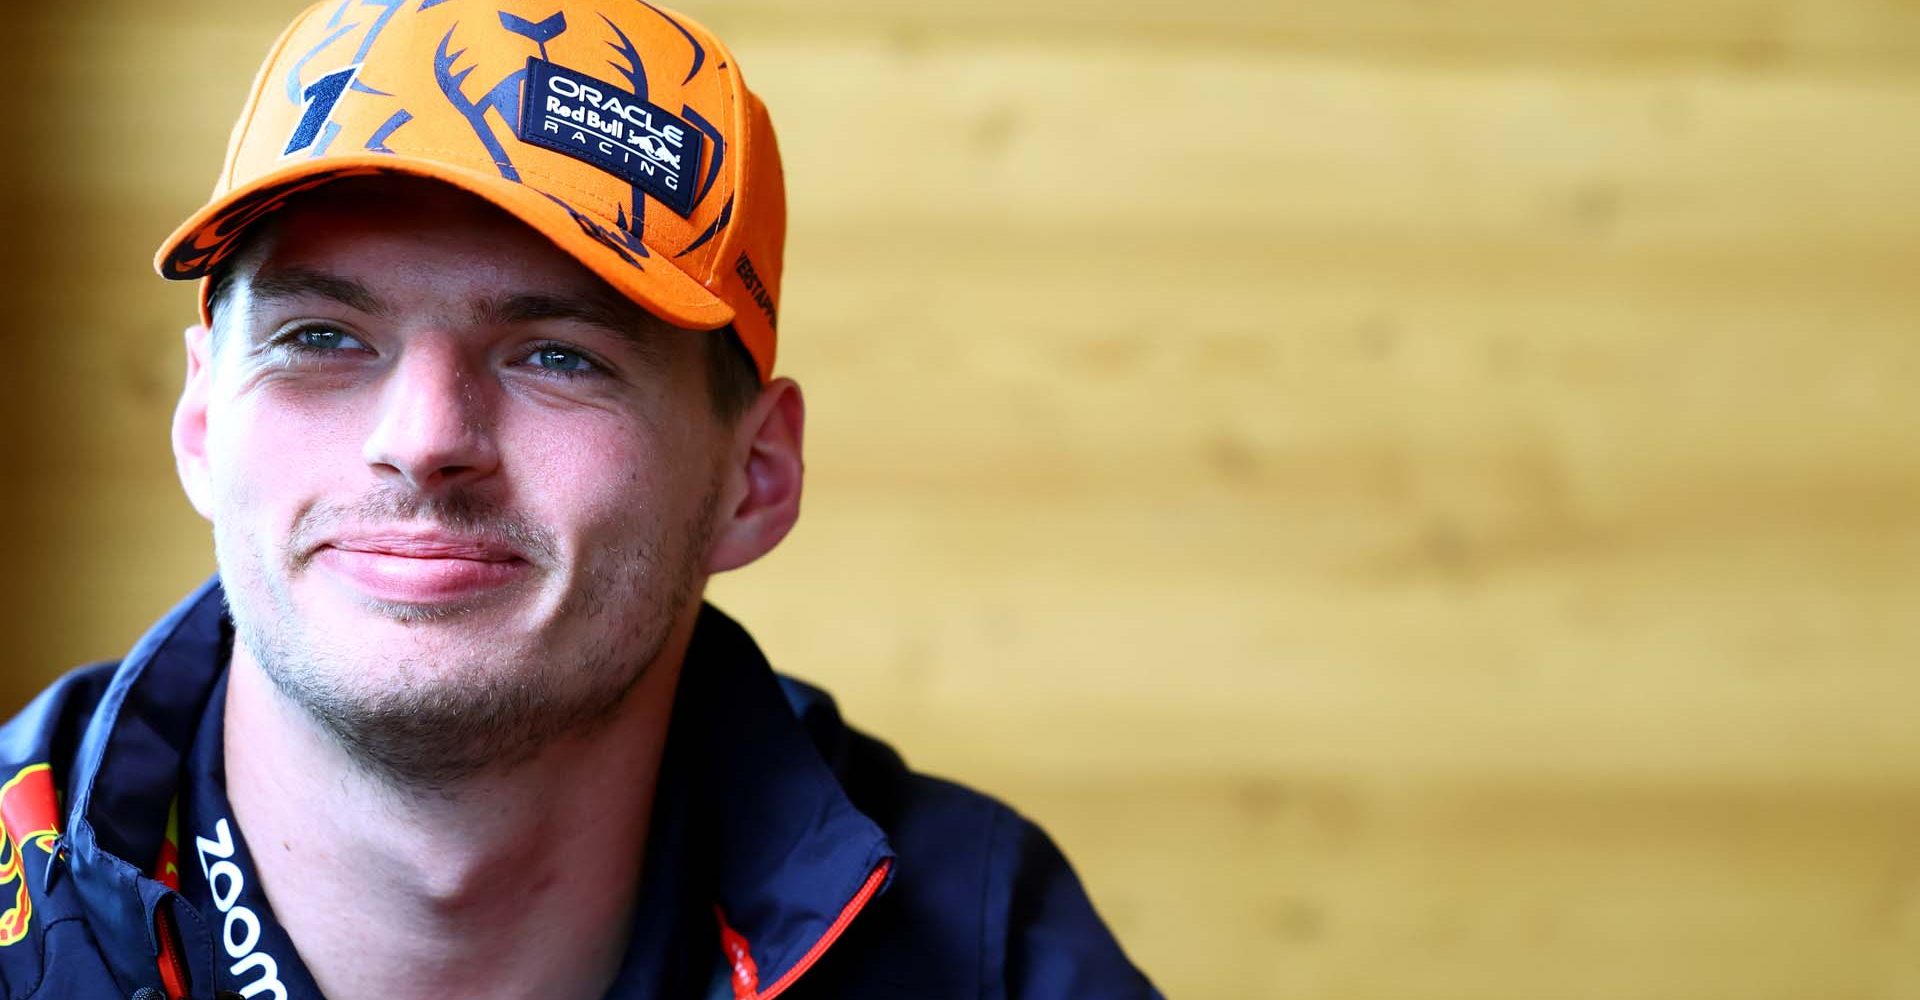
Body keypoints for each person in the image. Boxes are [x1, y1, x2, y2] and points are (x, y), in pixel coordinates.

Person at [0, 2, 1161, 998]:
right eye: (320, 337)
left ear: (754, 478)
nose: (424, 441)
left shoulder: (978, 953)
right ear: (203, 422)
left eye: (557, 356)